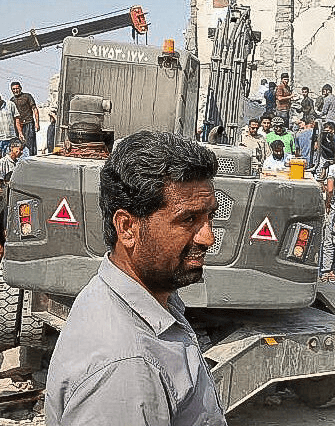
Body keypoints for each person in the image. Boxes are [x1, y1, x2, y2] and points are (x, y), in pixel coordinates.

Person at [46, 131, 226, 425]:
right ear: (127, 227)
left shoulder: (152, 300)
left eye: (209, 217)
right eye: (189, 220)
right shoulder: (125, 367)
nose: (208, 237)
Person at [10, 82, 37, 156]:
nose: (15, 90)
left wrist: (37, 123)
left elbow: (35, 109)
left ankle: (31, 159)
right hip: (18, 126)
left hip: (28, 123)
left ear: (20, 88)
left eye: (17, 88)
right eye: (13, 89)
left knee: (30, 144)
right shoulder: (12, 100)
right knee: (19, 145)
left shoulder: (27, 96)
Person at [0, 92, 23, 157]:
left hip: (11, 138)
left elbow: (17, 119)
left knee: (11, 158)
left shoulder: (10, 104)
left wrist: (20, 133)